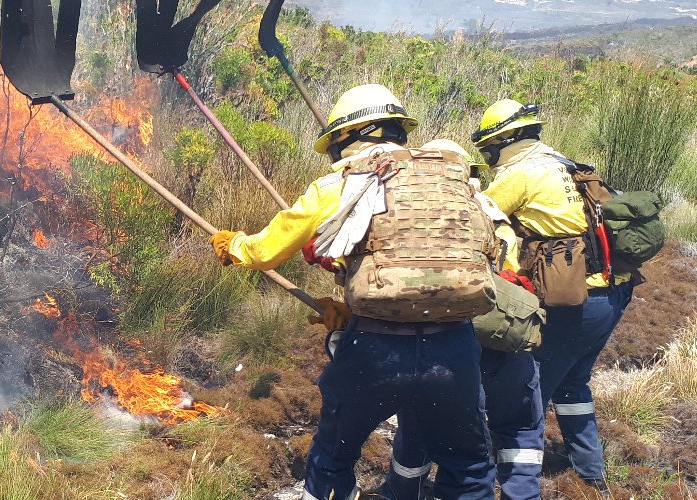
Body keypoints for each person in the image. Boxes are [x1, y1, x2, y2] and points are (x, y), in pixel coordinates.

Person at [210, 84, 496, 500]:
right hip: (455, 349)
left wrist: (234, 245)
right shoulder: (455, 179)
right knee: (468, 466)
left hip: (375, 348)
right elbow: (496, 255)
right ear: (398, 128)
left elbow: (266, 251)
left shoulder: (342, 182)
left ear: (347, 136)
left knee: (333, 457)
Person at [471, 99, 636, 496]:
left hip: (573, 304)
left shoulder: (521, 173)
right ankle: (590, 472)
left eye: (489, 148)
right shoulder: (570, 165)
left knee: (524, 397)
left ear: (504, 141)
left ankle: (502, 476)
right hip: (613, 294)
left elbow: (474, 218)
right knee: (574, 384)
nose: (490, 156)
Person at [421, 139, 545, 500]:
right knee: (520, 426)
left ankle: (402, 490)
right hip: (502, 336)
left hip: (442, 343)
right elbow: (513, 268)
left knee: (427, 429)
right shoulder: (490, 209)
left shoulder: (411, 213)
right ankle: (521, 493)